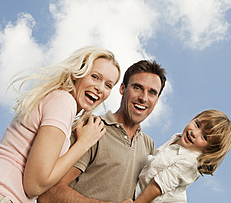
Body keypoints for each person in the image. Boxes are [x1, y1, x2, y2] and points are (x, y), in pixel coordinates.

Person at [0, 46, 121, 203]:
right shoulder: (63, 101)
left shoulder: (59, 102)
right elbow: (35, 185)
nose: (100, 88)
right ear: (77, 73)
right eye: (95, 77)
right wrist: (84, 143)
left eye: (108, 85)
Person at [38, 60, 167, 203]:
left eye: (152, 93)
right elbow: (48, 194)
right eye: (137, 88)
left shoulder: (148, 145)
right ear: (123, 88)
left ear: (157, 99)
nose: (143, 98)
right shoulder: (91, 128)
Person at [134, 109, 231, 203]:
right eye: (197, 124)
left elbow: (158, 185)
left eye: (204, 137)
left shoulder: (191, 163)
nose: (194, 133)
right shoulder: (177, 137)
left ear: (210, 150)